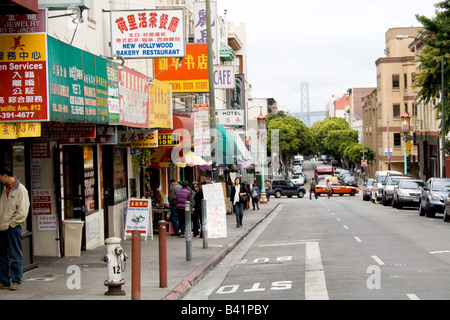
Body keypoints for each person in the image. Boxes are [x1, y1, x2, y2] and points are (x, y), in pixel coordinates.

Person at [0, 166, 30, 291]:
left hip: (13, 227)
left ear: (5, 175)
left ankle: (16, 281)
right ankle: (5, 281)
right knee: (2, 255)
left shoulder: (20, 189)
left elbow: (23, 211)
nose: (0, 180)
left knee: (15, 254)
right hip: (2, 227)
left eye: (0, 177)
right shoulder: (5, 189)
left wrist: (12, 224)